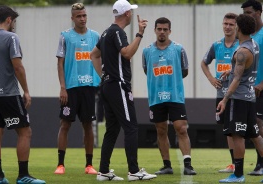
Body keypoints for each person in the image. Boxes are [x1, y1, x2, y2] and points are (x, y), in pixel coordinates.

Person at [90, 0, 157, 181]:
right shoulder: (118, 32)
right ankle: (134, 171)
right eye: (131, 11)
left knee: (112, 129)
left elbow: (93, 55)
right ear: (127, 13)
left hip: (108, 85)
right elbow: (127, 53)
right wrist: (140, 34)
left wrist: (103, 76)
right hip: (118, 85)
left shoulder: (106, 32)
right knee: (131, 127)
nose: (132, 14)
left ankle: (103, 171)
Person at [0, 5, 45, 184]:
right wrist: (26, 90)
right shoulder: (11, 38)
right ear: (8, 19)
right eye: (14, 21)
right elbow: (18, 67)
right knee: (25, 132)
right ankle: (23, 175)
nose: (14, 24)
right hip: (9, 93)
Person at [141, 17, 196, 176]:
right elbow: (147, 70)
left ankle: (188, 164)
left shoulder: (179, 49)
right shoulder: (147, 51)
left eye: (165, 29)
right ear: (155, 30)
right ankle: (167, 165)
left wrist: (172, 82)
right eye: (159, 29)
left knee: (181, 128)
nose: (162, 32)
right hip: (156, 97)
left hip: (175, 96)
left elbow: (184, 71)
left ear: (170, 31)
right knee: (161, 130)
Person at [54, 2, 100, 175]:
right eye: (79, 16)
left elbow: (101, 59)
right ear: (72, 18)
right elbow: (60, 63)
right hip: (71, 88)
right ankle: (60, 164)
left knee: (88, 125)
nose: (82, 18)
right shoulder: (65, 36)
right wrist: (62, 87)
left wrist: (101, 79)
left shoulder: (95, 36)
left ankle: (89, 165)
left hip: (89, 87)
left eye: (84, 15)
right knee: (65, 124)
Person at [217, 14, 263, 183]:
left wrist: (224, 99)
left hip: (239, 99)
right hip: (250, 97)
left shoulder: (242, 51)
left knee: (237, 136)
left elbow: (237, 79)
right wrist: (232, 70)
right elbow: (244, 70)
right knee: (255, 136)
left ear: (239, 28)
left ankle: (238, 175)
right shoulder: (254, 45)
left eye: (235, 26)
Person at [201, 13, 238, 173]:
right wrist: (211, 79)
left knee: (242, 130)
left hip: (239, 95)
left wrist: (233, 70)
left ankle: (254, 164)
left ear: (236, 26)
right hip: (221, 95)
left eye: (231, 24)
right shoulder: (216, 45)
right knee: (228, 130)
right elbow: (204, 63)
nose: (228, 27)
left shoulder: (242, 45)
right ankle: (234, 164)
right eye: (225, 24)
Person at [241, 0, 263, 176]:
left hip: (260, 88)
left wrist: (262, 83)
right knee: (254, 126)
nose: (246, 16)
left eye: (248, 13)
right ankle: (259, 164)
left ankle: (261, 164)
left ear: (259, 12)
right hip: (250, 89)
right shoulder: (248, 36)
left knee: (259, 126)